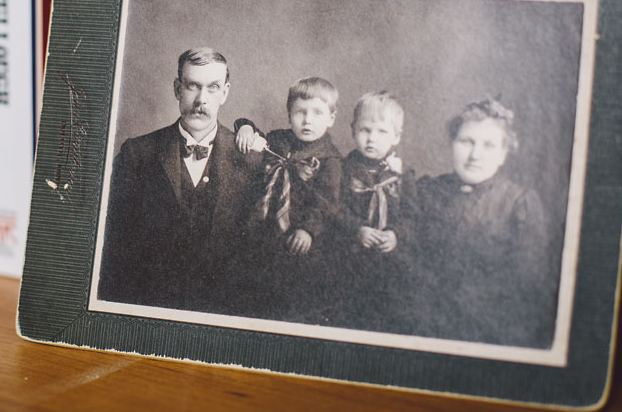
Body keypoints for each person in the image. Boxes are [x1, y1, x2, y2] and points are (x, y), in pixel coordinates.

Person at [96, 48, 259, 314]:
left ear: (225, 93)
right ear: (177, 88)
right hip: (151, 303)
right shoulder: (138, 153)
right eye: (193, 86)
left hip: (223, 309)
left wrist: (248, 125)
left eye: (213, 87)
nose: (201, 100)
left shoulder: (250, 159)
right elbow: (114, 243)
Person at [413, 97, 559, 348]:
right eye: (466, 142)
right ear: (452, 143)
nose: (475, 155)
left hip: (487, 334)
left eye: (489, 145)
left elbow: (526, 286)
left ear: (503, 154)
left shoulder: (519, 204)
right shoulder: (426, 191)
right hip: (421, 327)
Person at [234, 76, 343, 323]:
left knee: (293, 295)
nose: (307, 120)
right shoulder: (278, 140)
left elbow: (327, 202)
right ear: (289, 114)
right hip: (266, 231)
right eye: (300, 112)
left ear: (331, 118)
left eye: (317, 113)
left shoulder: (329, 159)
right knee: (258, 291)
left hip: (300, 239)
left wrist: (308, 229)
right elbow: (255, 135)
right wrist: (246, 127)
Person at [336, 91, 416, 332]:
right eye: (365, 130)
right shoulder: (344, 168)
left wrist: (396, 235)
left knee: (387, 312)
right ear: (353, 130)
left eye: (381, 132)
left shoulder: (403, 175)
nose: (372, 139)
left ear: (396, 136)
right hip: (349, 256)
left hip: (389, 260)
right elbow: (335, 208)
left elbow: (413, 215)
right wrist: (356, 229)